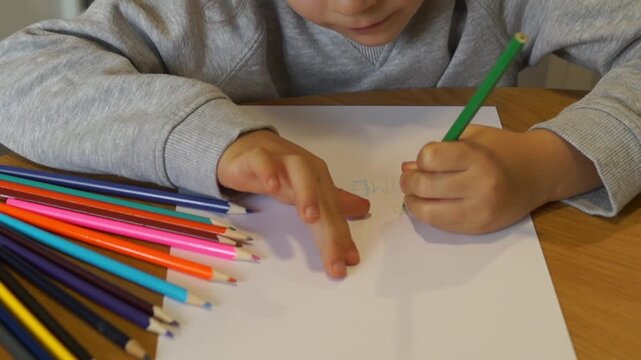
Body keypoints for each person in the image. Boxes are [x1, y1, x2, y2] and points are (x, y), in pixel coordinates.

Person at [0, 0, 639, 279]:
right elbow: (17, 74)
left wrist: (557, 161)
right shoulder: (201, 12)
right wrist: (210, 140)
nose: (354, 1)